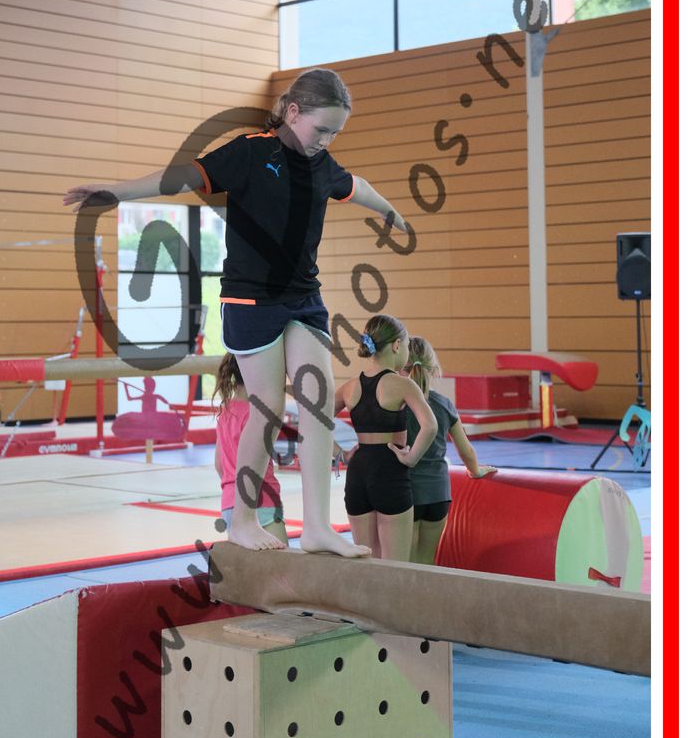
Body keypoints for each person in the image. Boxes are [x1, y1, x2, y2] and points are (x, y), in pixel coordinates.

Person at [64, 67, 408, 555]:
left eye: (334, 133)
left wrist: (389, 210)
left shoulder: (323, 164)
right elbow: (179, 178)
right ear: (293, 112)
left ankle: (317, 528)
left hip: (304, 298)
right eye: (321, 129)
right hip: (251, 301)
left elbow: (360, 185)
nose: (326, 141)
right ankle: (243, 520)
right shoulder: (249, 152)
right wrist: (115, 193)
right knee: (266, 408)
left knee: (317, 405)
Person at [334, 314, 438, 560]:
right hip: (390, 471)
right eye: (407, 345)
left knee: (366, 560)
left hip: (358, 472)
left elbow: (315, 421)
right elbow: (430, 426)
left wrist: (340, 453)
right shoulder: (403, 385)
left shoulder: (350, 386)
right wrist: (411, 458)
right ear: (396, 346)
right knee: (395, 565)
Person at [402, 336, 498, 564]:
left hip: (407, 491)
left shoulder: (398, 404)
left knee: (406, 561)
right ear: (433, 368)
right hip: (439, 494)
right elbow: (466, 450)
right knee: (427, 559)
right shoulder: (444, 404)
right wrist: (475, 471)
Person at [212, 354, 288, 545]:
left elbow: (219, 464)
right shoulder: (256, 414)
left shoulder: (225, 412)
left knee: (246, 562)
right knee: (282, 562)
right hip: (262, 499)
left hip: (229, 504)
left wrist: (232, 487)